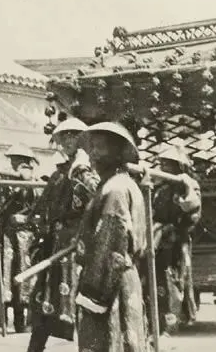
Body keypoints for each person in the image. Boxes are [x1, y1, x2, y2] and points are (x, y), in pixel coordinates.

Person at [26, 117, 99, 352]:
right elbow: (43, 207)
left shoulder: (90, 171)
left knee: (79, 300)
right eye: (64, 136)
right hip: (56, 242)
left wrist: (82, 170)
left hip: (79, 244)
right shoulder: (59, 174)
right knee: (45, 297)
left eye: (74, 136)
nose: (68, 141)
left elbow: (97, 198)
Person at [74, 122, 148, 352]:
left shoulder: (115, 190)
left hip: (110, 282)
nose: (93, 154)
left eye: (100, 148)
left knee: (111, 342)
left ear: (117, 153)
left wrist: (94, 294)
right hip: (120, 277)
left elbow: (111, 245)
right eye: (92, 147)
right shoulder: (121, 185)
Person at [0, 144, 41, 333]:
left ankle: (21, 321)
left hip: (24, 236)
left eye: (19, 160)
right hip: (4, 235)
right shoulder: (4, 179)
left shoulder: (35, 180)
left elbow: (39, 205)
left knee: (22, 275)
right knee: (2, 274)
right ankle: (2, 321)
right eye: (12, 159)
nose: (14, 163)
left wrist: (26, 217)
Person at [147, 147, 201, 338]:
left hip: (177, 240)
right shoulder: (160, 188)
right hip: (159, 239)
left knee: (175, 281)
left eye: (168, 164)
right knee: (158, 280)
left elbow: (193, 214)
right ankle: (159, 322)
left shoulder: (186, 185)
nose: (164, 166)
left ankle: (171, 324)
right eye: (162, 163)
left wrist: (174, 228)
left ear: (178, 166)